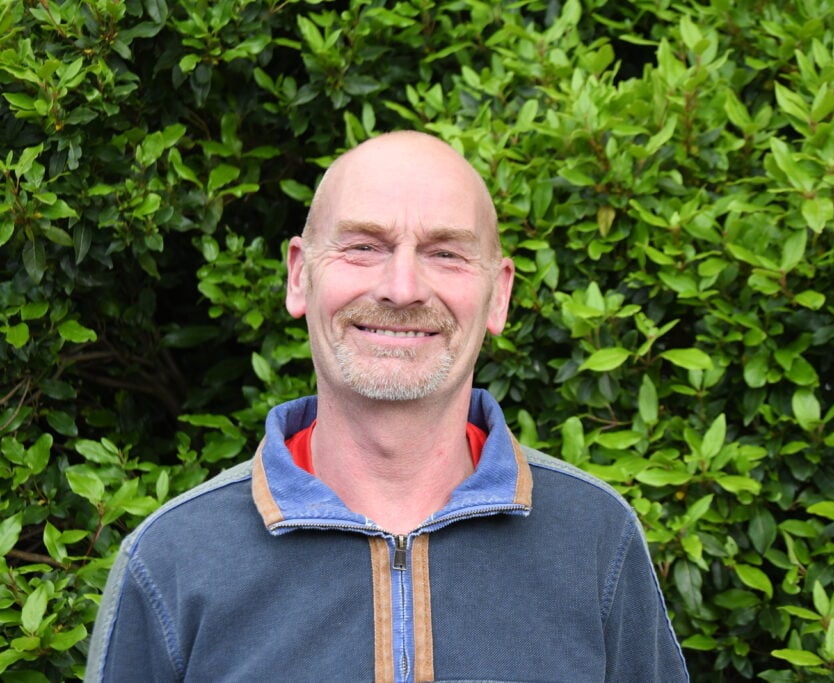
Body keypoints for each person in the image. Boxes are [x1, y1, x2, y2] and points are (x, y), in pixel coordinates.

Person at [85, 131, 690, 682]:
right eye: (363, 246)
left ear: (499, 294)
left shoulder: (595, 540)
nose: (402, 288)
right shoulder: (172, 561)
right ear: (299, 276)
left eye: (446, 253)